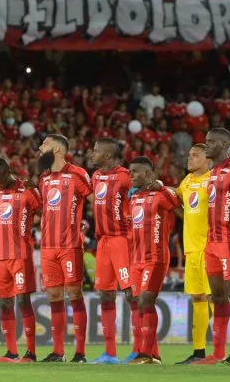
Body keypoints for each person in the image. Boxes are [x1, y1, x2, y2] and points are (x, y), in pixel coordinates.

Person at [36, 134, 93, 363]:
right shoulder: (44, 177)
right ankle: (58, 351)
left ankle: (80, 352)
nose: (41, 147)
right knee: (54, 296)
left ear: (57, 150)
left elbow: (94, 202)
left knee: (75, 293)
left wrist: (87, 225)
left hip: (70, 244)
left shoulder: (78, 174)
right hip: (48, 246)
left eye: (45, 144)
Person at [127, 157, 181, 365]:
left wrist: (164, 187)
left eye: (135, 171)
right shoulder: (133, 197)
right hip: (136, 259)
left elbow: (181, 211)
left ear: (149, 173)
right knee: (138, 302)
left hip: (155, 258)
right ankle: (152, 354)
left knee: (145, 301)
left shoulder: (161, 195)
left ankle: (146, 355)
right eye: (130, 171)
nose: (130, 175)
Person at [197, 128, 230, 364]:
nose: (206, 146)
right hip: (212, 241)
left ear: (224, 144)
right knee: (217, 295)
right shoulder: (213, 171)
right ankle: (217, 353)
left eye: (211, 142)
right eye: (205, 142)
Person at [87, 138, 136, 364]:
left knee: (132, 294)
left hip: (123, 240)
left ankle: (141, 350)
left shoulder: (126, 176)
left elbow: (144, 193)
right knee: (105, 294)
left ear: (107, 156)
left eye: (96, 150)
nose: (92, 153)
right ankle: (110, 353)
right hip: (103, 242)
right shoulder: (96, 176)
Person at [0, 158, 41, 363]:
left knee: (23, 300)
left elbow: (44, 213)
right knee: (4, 303)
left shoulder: (27, 190)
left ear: (9, 172)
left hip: (21, 255)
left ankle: (31, 352)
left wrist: (27, 224)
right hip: (0, 256)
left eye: (0, 179)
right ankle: (11, 352)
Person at [174, 144, 213, 364]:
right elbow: (179, 203)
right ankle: (199, 352)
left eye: (195, 155)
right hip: (191, 249)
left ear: (207, 159)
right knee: (197, 298)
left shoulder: (214, 179)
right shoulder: (186, 182)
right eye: (189, 154)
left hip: (209, 248)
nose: (189, 158)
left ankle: (220, 351)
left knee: (213, 298)